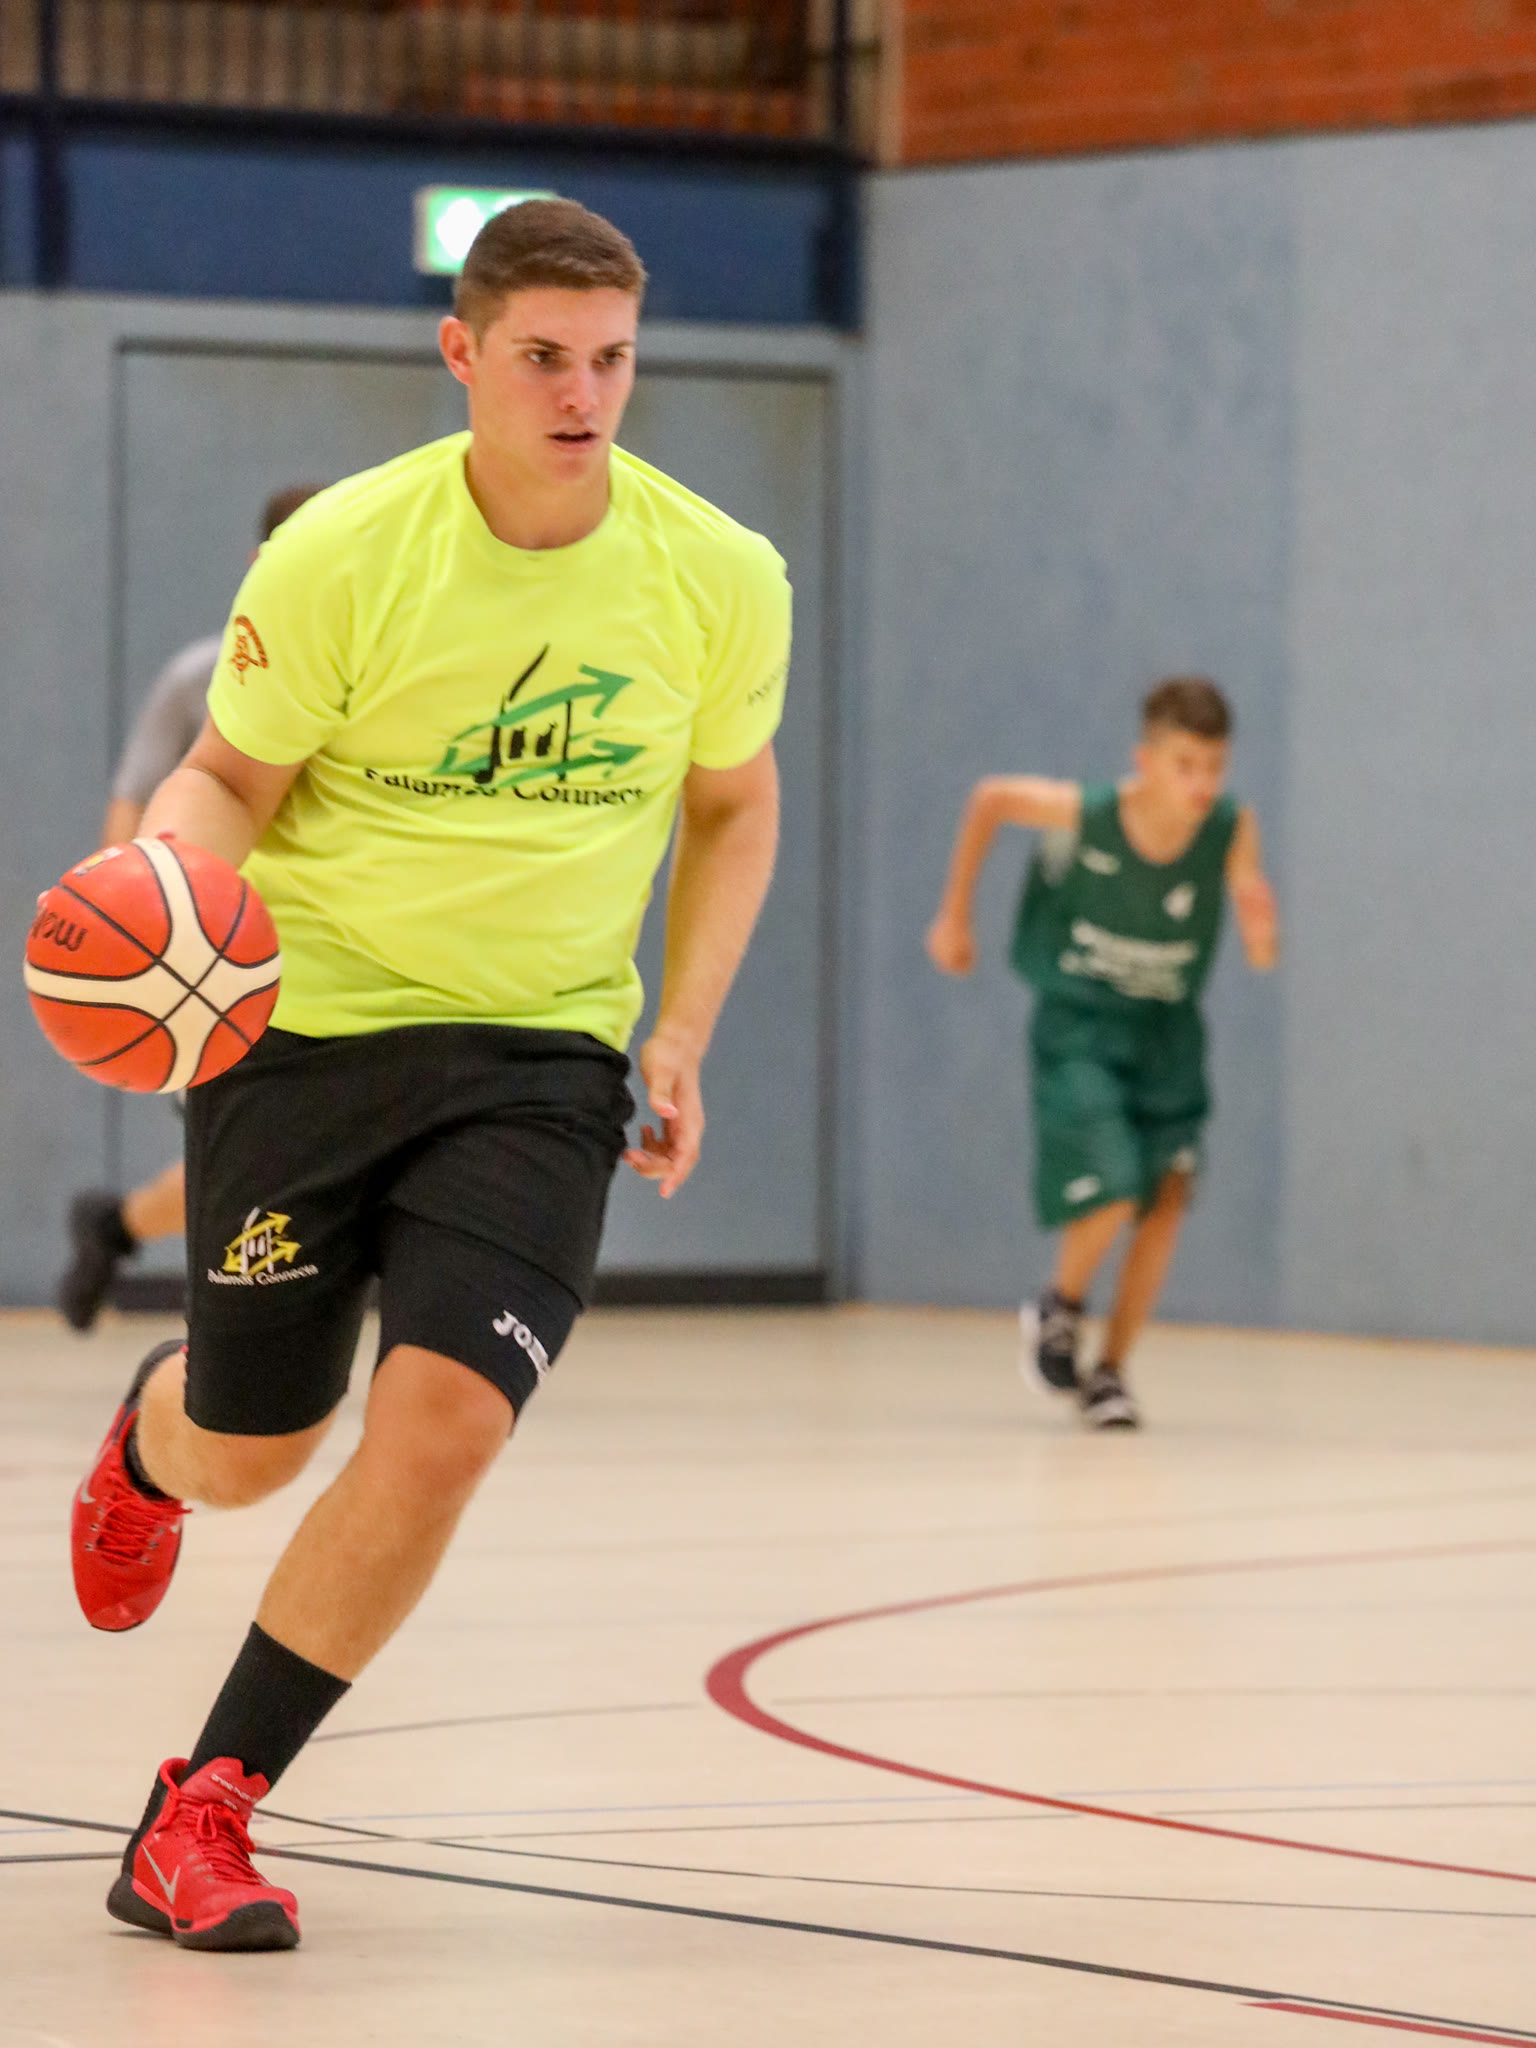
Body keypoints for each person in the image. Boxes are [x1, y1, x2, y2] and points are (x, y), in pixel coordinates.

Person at [66, 198, 788, 1953]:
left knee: (448, 1419)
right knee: (254, 1451)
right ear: (462, 352)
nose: (581, 395)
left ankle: (205, 1805)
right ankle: (154, 1448)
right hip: (306, 1034)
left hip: (541, 1053)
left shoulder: (719, 576)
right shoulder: (343, 555)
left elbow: (731, 803)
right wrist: (164, 892)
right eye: (543, 357)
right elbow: (230, 779)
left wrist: (679, 1029)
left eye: (611, 360)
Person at [926, 677, 1278, 1430]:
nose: (1201, 784)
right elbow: (990, 799)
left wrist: (1261, 930)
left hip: (1169, 1034)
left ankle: (1110, 1372)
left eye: (1214, 767)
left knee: (1167, 1202)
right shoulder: (1086, 814)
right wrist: (954, 916)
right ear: (1145, 760)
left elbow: (1257, 933)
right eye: (1185, 765)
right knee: (1116, 1186)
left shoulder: (1230, 827)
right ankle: (1062, 1304)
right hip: (1083, 1028)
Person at [57, 484, 322, 1331]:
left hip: (332, 951)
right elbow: (132, 801)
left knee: (283, 1152)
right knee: (254, 1154)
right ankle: (226, 1336)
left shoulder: (383, 675)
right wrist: (127, 921)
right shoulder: (201, 676)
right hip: (216, 955)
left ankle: (116, 1225)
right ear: (261, 564)